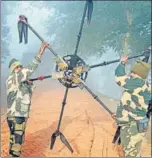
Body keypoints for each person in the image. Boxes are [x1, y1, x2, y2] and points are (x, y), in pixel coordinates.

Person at [6, 42, 49, 157]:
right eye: (18, 67)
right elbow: (31, 67)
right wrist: (41, 51)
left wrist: (28, 84)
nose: (20, 68)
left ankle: (11, 155)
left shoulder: (11, 80)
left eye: (20, 66)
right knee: (18, 141)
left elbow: (22, 92)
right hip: (18, 115)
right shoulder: (17, 75)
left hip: (11, 115)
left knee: (13, 138)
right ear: (14, 69)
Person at [112, 56, 151, 157]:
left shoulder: (138, 83)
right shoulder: (142, 85)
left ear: (138, 74)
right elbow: (130, 102)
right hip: (135, 123)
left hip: (133, 125)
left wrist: (122, 63)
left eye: (133, 72)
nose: (131, 74)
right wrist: (119, 114)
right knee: (132, 152)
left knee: (130, 153)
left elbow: (119, 79)